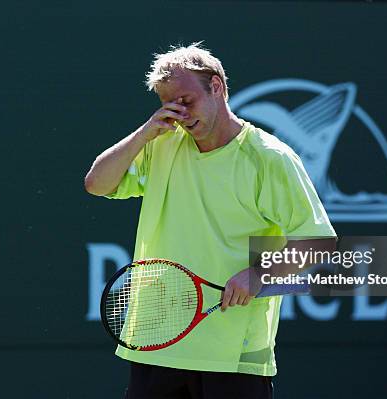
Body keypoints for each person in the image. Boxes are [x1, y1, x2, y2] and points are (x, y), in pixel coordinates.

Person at [85, 42, 336, 399]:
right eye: (169, 105)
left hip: (233, 358)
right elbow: (96, 184)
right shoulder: (161, 145)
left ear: (216, 87)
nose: (180, 114)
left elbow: (319, 243)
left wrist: (258, 274)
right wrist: (146, 132)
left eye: (186, 101)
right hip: (156, 343)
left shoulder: (269, 159)